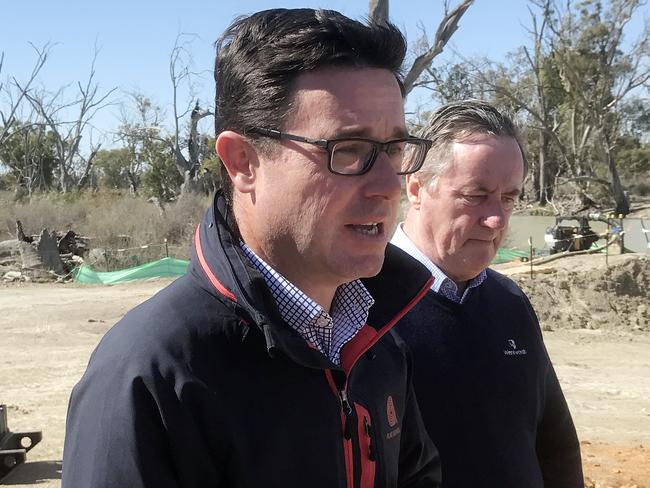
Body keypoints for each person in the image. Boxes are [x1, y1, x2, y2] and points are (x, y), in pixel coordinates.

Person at [62, 8, 442, 488]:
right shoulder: (153, 375)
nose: (389, 184)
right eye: (348, 149)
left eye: (393, 148)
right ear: (243, 162)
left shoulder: (376, 342)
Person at [391, 100, 583, 488]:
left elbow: (554, 440)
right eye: (475, 196)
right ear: (416, 188)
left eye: (509, 198)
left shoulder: (509, 301)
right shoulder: (358, 304)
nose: (497, 219)